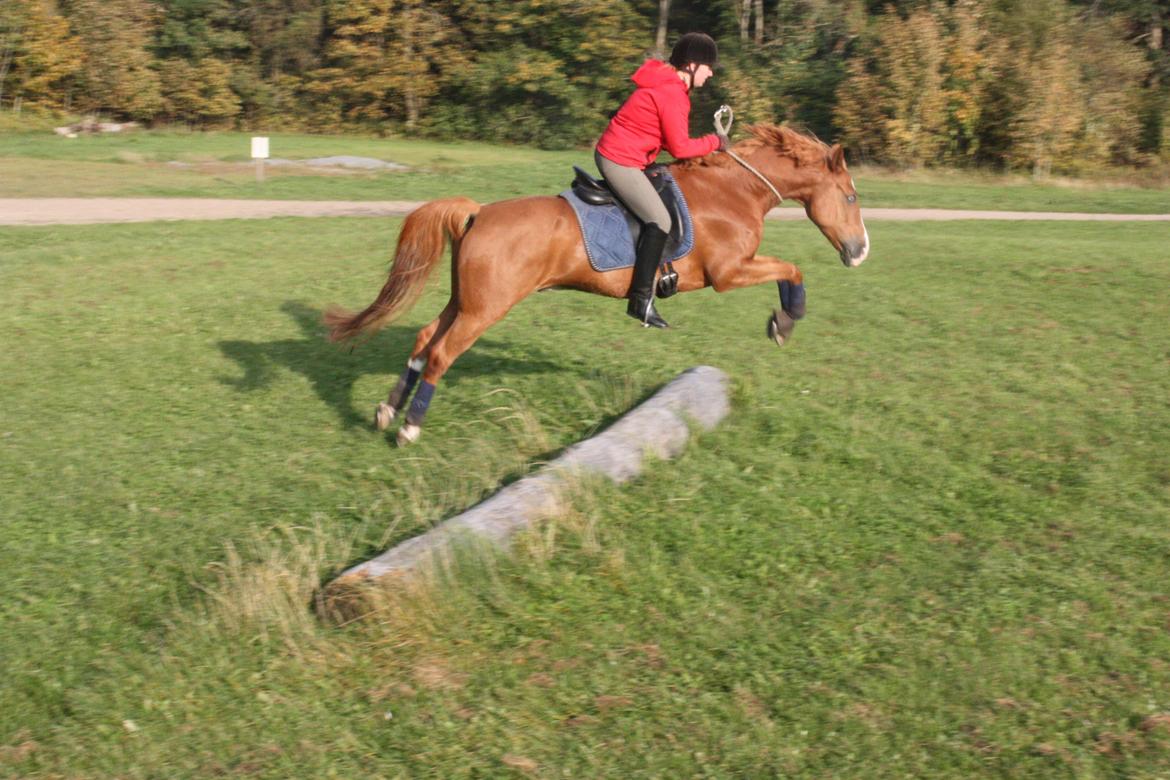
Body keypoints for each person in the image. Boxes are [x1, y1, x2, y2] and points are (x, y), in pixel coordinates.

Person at [595, 32, 727, 329]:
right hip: (620, 160)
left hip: (631, 155)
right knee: (660, 220)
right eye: (708, 66)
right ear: (691, 66)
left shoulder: (669, 87)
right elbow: (681, 148)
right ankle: (640, 300)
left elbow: (667, 140)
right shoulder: (672, 94)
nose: (711, 72)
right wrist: (715, 143)